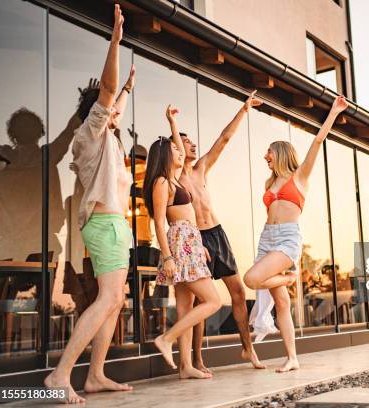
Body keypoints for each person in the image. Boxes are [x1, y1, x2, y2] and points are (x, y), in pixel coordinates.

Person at [44, 4, 135, 403]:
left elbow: (118, 99)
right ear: (96, 112)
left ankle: (95, 374)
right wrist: (114, 42)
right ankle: (59, 375)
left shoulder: (110, 137)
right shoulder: (90, 134)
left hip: (116, 227)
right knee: (110, 297)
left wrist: (128, 88)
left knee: (115, 299)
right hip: (104, 225)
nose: (115, 111)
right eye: (110, 108)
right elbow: (109, 93)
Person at [243, 94, 349, 372]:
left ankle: (290, 276)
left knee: (252, 279)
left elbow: (316, 142)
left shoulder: (299, 176)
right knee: (281, 302)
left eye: (269, 151)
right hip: (267, 238)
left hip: (287, 239)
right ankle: (292, 358)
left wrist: (334, 113)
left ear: (279, 152)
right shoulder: (271, 181)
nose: (265, 156)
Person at [178, 91, 265, 371]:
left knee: (238, 292)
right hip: (195, 239)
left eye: (192, 141)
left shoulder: (201, 168)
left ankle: (247, 350)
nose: (193, 145)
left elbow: (223, 140)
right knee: (202, 302)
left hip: (217, 234)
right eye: (186, 141)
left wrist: (244, 109)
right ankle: (198, 359)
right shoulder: (174, 180)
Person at [143, 105, 221, 378]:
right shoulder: (162, 183)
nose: (181, 152)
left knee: (186, 308)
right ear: (166, 156)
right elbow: (158, 222)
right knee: (213, 301)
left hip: (190, 243)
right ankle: (166, 339)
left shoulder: (174, 180)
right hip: (179, 246)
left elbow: (176, 144)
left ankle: (186, 367)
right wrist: (168, 258)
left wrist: (173, 122)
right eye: (176, 151)